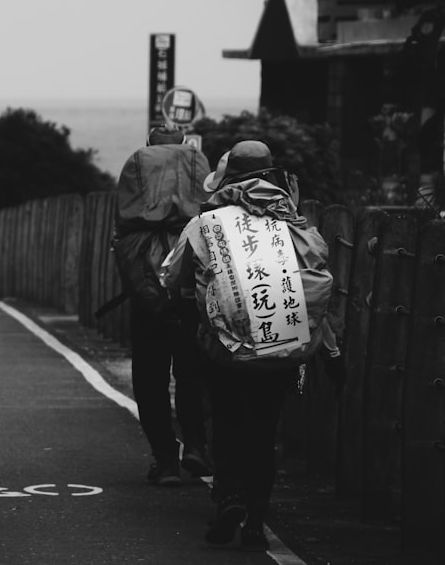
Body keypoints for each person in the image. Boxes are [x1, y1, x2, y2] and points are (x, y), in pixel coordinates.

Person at [160, 140, 343, 551]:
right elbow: (311, 289)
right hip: (281, 352)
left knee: (226, 424)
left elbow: (171, 278)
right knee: (263, 432)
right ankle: (257, 522)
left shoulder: (205, 224)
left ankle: (230, 498)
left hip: (224, 353)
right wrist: (331, 352)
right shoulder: (295, 225)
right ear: (273, 177)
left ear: (227, 180)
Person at [114, 125, 214, 486]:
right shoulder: (197, 159)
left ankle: (165, 459)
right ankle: (196, 445)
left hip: (147, 277)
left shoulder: (137, 161)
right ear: (182, 143)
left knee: (150, 376)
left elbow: (123, 219)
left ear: (150, 144)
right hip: (192, 263)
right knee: (193, 370)